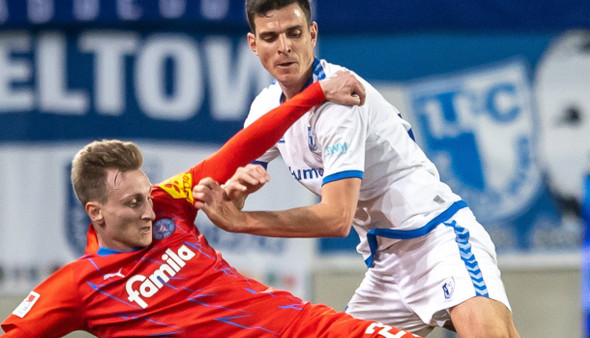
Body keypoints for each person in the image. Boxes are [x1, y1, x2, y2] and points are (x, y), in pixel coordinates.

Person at [1, 75, 419, 338]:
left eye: (146, 196)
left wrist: (312, 95)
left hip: (307, 327)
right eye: (133, 203)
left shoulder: (168, 204)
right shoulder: (79, 286)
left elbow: (241, 147)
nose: (149, 211)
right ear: (95, 213)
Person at [193, 1, 520, 337]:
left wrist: (243, 221)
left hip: (438, 238)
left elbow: (337, 218)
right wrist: (233, 195)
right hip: (387, 266)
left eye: (294, 33)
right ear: (253, 44)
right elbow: (234, 187)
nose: (284, 47)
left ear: (312, 34)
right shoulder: (265, 107)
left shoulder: (340, 101)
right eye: (270, 37)